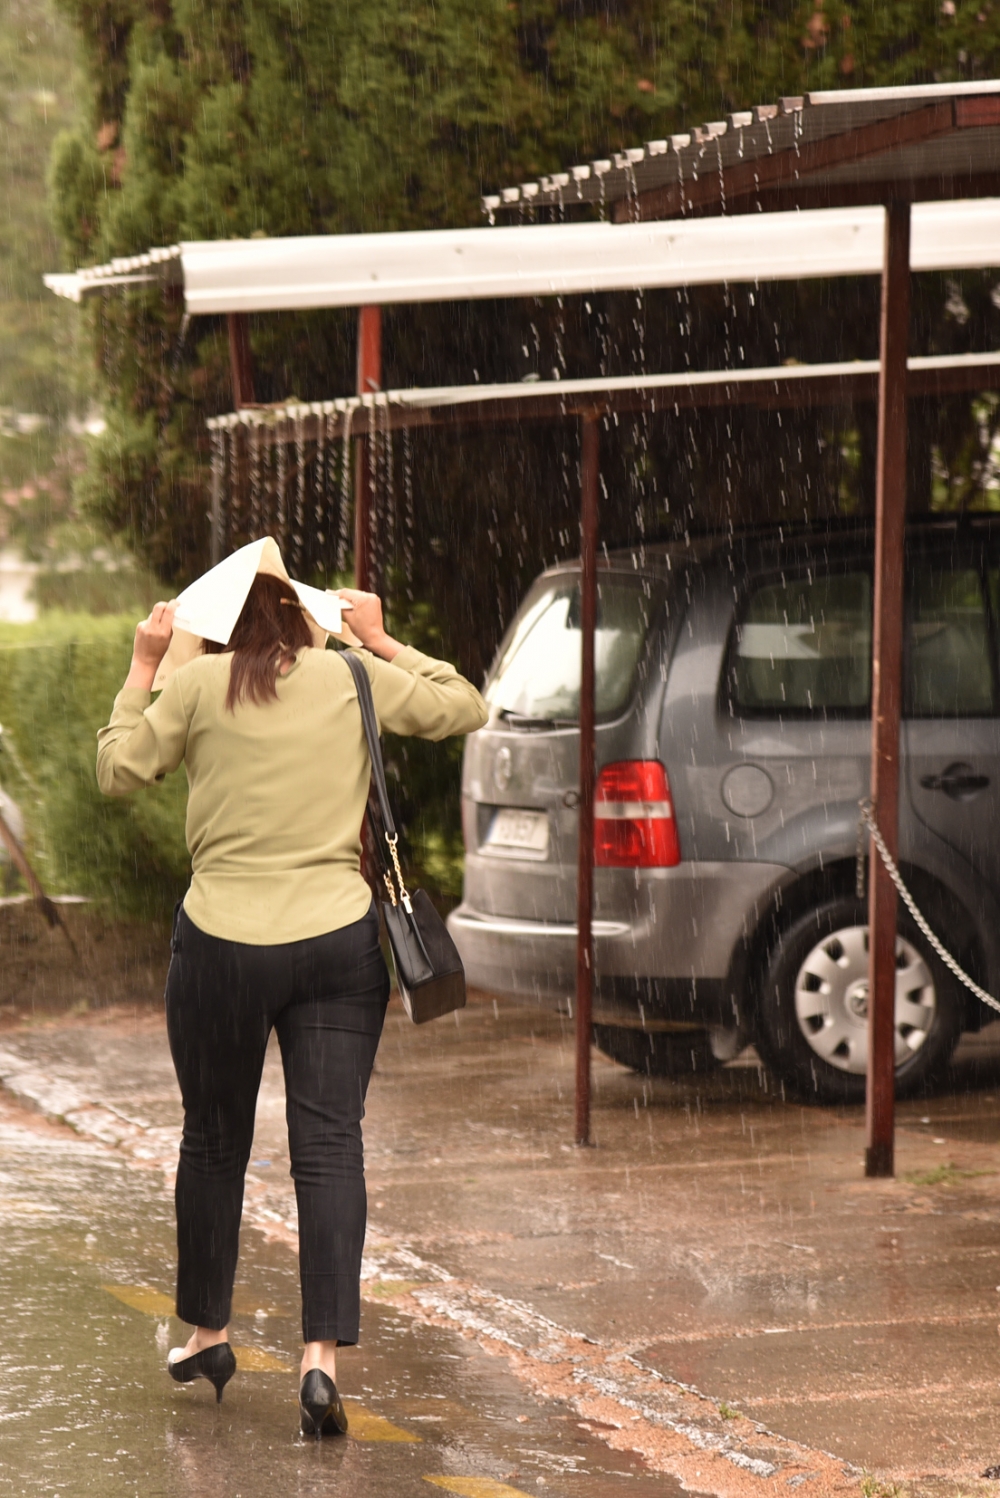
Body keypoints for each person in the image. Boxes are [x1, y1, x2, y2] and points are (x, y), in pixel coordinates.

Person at [96, 570, 487, 1437]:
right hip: (336, 947)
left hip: (221, 949)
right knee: (329, 1145)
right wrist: (382, 640)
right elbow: (462, 705)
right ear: (306, 616)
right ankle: (320, 1361)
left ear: (221, 628)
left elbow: (119, 771)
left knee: (213, 1141)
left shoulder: (195, 686)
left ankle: (208, 1332)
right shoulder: (351, 676)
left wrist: (142, 664)